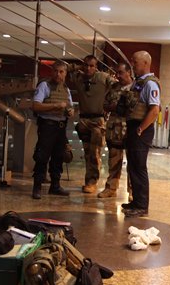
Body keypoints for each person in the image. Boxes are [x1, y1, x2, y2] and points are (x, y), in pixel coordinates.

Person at [120, 51, 160, 217]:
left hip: (141, 129)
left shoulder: (151, 84)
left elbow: (154, 110)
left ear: (145, 63)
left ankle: (142, 205)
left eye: (135, 61)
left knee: (139, 167)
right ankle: (136, 201)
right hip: (134, 127)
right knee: (133, 166)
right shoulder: (139, 83)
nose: (132, 64)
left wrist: (141, 129)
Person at [68, 55, 115, 193]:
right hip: (83, 121)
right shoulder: (78, 78)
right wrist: (79, 67)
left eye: (92, 66)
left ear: (96, 67)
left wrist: (109, 104)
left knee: (95, 153)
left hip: (98, 121)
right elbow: (65, 67)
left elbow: (117, 86)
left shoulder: (103, 78)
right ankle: (89, 180)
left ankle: (92, 182)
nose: (88, 68)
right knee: (87, 153)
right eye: (86, 65)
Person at [31, 61, 74, 199]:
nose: (58, 74)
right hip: (47, 126)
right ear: (51, 72)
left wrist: (70, 111)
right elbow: (36, 106)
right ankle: (37, 186)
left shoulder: (66, 89)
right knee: (42, 156)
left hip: (61, 127)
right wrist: (55, 106)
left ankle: (55, 186)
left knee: (58, 157)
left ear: (65, 73)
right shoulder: (45, 85)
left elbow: (69, 106)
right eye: (56, 71)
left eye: (61, 72)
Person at [98, 62, 134, 198]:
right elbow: (105, 104)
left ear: (129, 72)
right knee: (113, 160)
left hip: (130, 129)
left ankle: (132, 191)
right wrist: (113, 107)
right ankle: (111, 188)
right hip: (114, 129)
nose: (118, 76)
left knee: (132, 162)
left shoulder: (136, 87)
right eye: (117, 73)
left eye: (121, 72)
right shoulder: (113, 88)